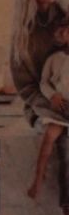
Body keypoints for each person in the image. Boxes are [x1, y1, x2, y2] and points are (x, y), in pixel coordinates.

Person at [10, 0, 69, 215]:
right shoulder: (23, 34)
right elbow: (26, 87)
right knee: (65, 141)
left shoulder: (66, 19)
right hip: (42, 106)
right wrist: (52, 103)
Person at [27, 15, 69, 200]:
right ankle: (37, 180)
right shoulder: (55, 59)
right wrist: (53, 95)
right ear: (63, 34)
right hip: (60, 110)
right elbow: (44, 83)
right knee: (49, 137)